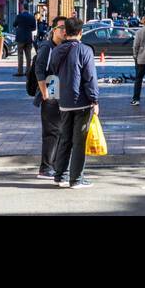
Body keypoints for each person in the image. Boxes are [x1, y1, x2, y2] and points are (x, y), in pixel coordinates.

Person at [49, 17, 99, 189]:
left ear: (65, 32)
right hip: (82, 102)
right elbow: (90, 78)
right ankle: (76, 179)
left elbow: (53, 74)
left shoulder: (56, 51)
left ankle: (59, 175)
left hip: (63, 101)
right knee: (79, 141)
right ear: (80, 32)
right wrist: (94, 100)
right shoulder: (85, 50)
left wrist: (54, 96)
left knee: (65, 139)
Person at [32, 14, 67, 181]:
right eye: (61, 28)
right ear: (54, 30)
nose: (65, 31)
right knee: (51, 131)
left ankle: (53, 165)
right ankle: (45, 168)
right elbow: (39, 70)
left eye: (66, 28)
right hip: (50, 91)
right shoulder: (47, 47)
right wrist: (44, 92)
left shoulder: (63, 46)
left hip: (59, 92)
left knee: (59, 131)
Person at [14, 6, 37, 77]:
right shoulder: (31, 17)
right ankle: (28, 71)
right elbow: (34, 28)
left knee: (20, 55)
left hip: (20, 38)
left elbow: (14, 24)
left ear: (22, 9)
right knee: (28, 55)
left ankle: (20, 71)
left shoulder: (19, 16)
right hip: (28, 38)